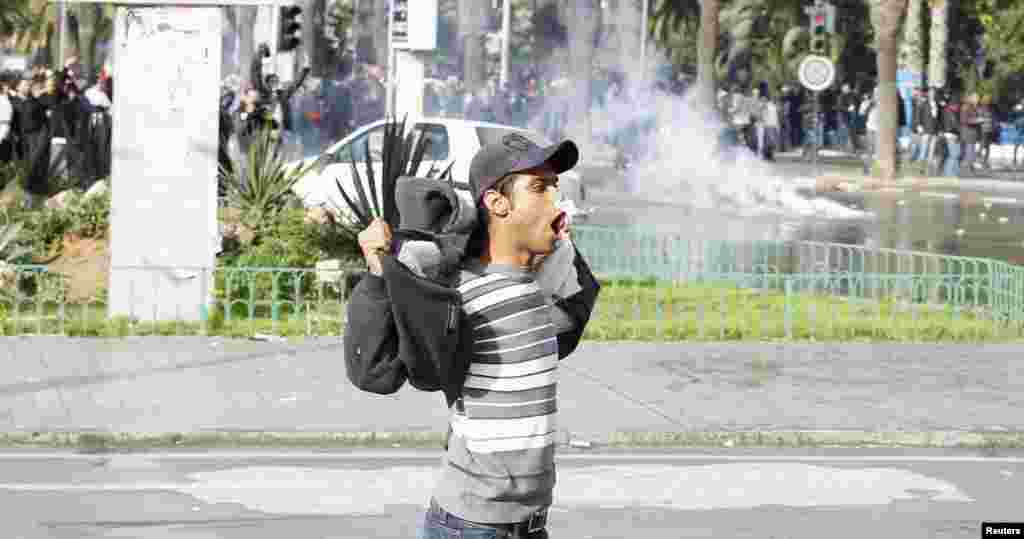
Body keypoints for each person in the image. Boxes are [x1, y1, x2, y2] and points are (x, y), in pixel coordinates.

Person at [345, 134, 600, 539]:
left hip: (531, 526)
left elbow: (575, 314)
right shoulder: (461, 294)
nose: (557, 202)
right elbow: (374, 372)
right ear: (498, 203)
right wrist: (380, 273)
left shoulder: (541, 288)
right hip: (470, 526)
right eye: (539, 188)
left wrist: (559, 240)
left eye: (556, 188)